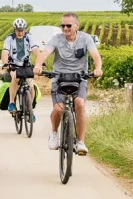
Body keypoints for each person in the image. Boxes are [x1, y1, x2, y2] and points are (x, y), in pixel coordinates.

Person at [34, 11, 102, 155]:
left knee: (80, 104)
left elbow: (95, 55)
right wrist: (38, 65)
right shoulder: (56, 39)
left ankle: (81, 142)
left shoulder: (86, 38)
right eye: (63, 25)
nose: (65, 28)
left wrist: (97, 69)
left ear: (77, 25)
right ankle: (54, 133)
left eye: (68, 25)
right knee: (58, 109)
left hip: (79, 78)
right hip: (59, 78)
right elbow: (44, 53)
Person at [1, 17, 40, 121]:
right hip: (13, 64)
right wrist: (5, 63)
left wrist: (39, 63)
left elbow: (35, 50)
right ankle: (11, 103)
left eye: (22, 30)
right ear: (14, 29)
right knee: (15, 77)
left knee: (31, 85)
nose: (20, 33)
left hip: (26, 64)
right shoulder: (9, 38)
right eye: (18, 30)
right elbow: (5, 52)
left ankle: (30, 109)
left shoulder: (29, 37)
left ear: (24, 29)